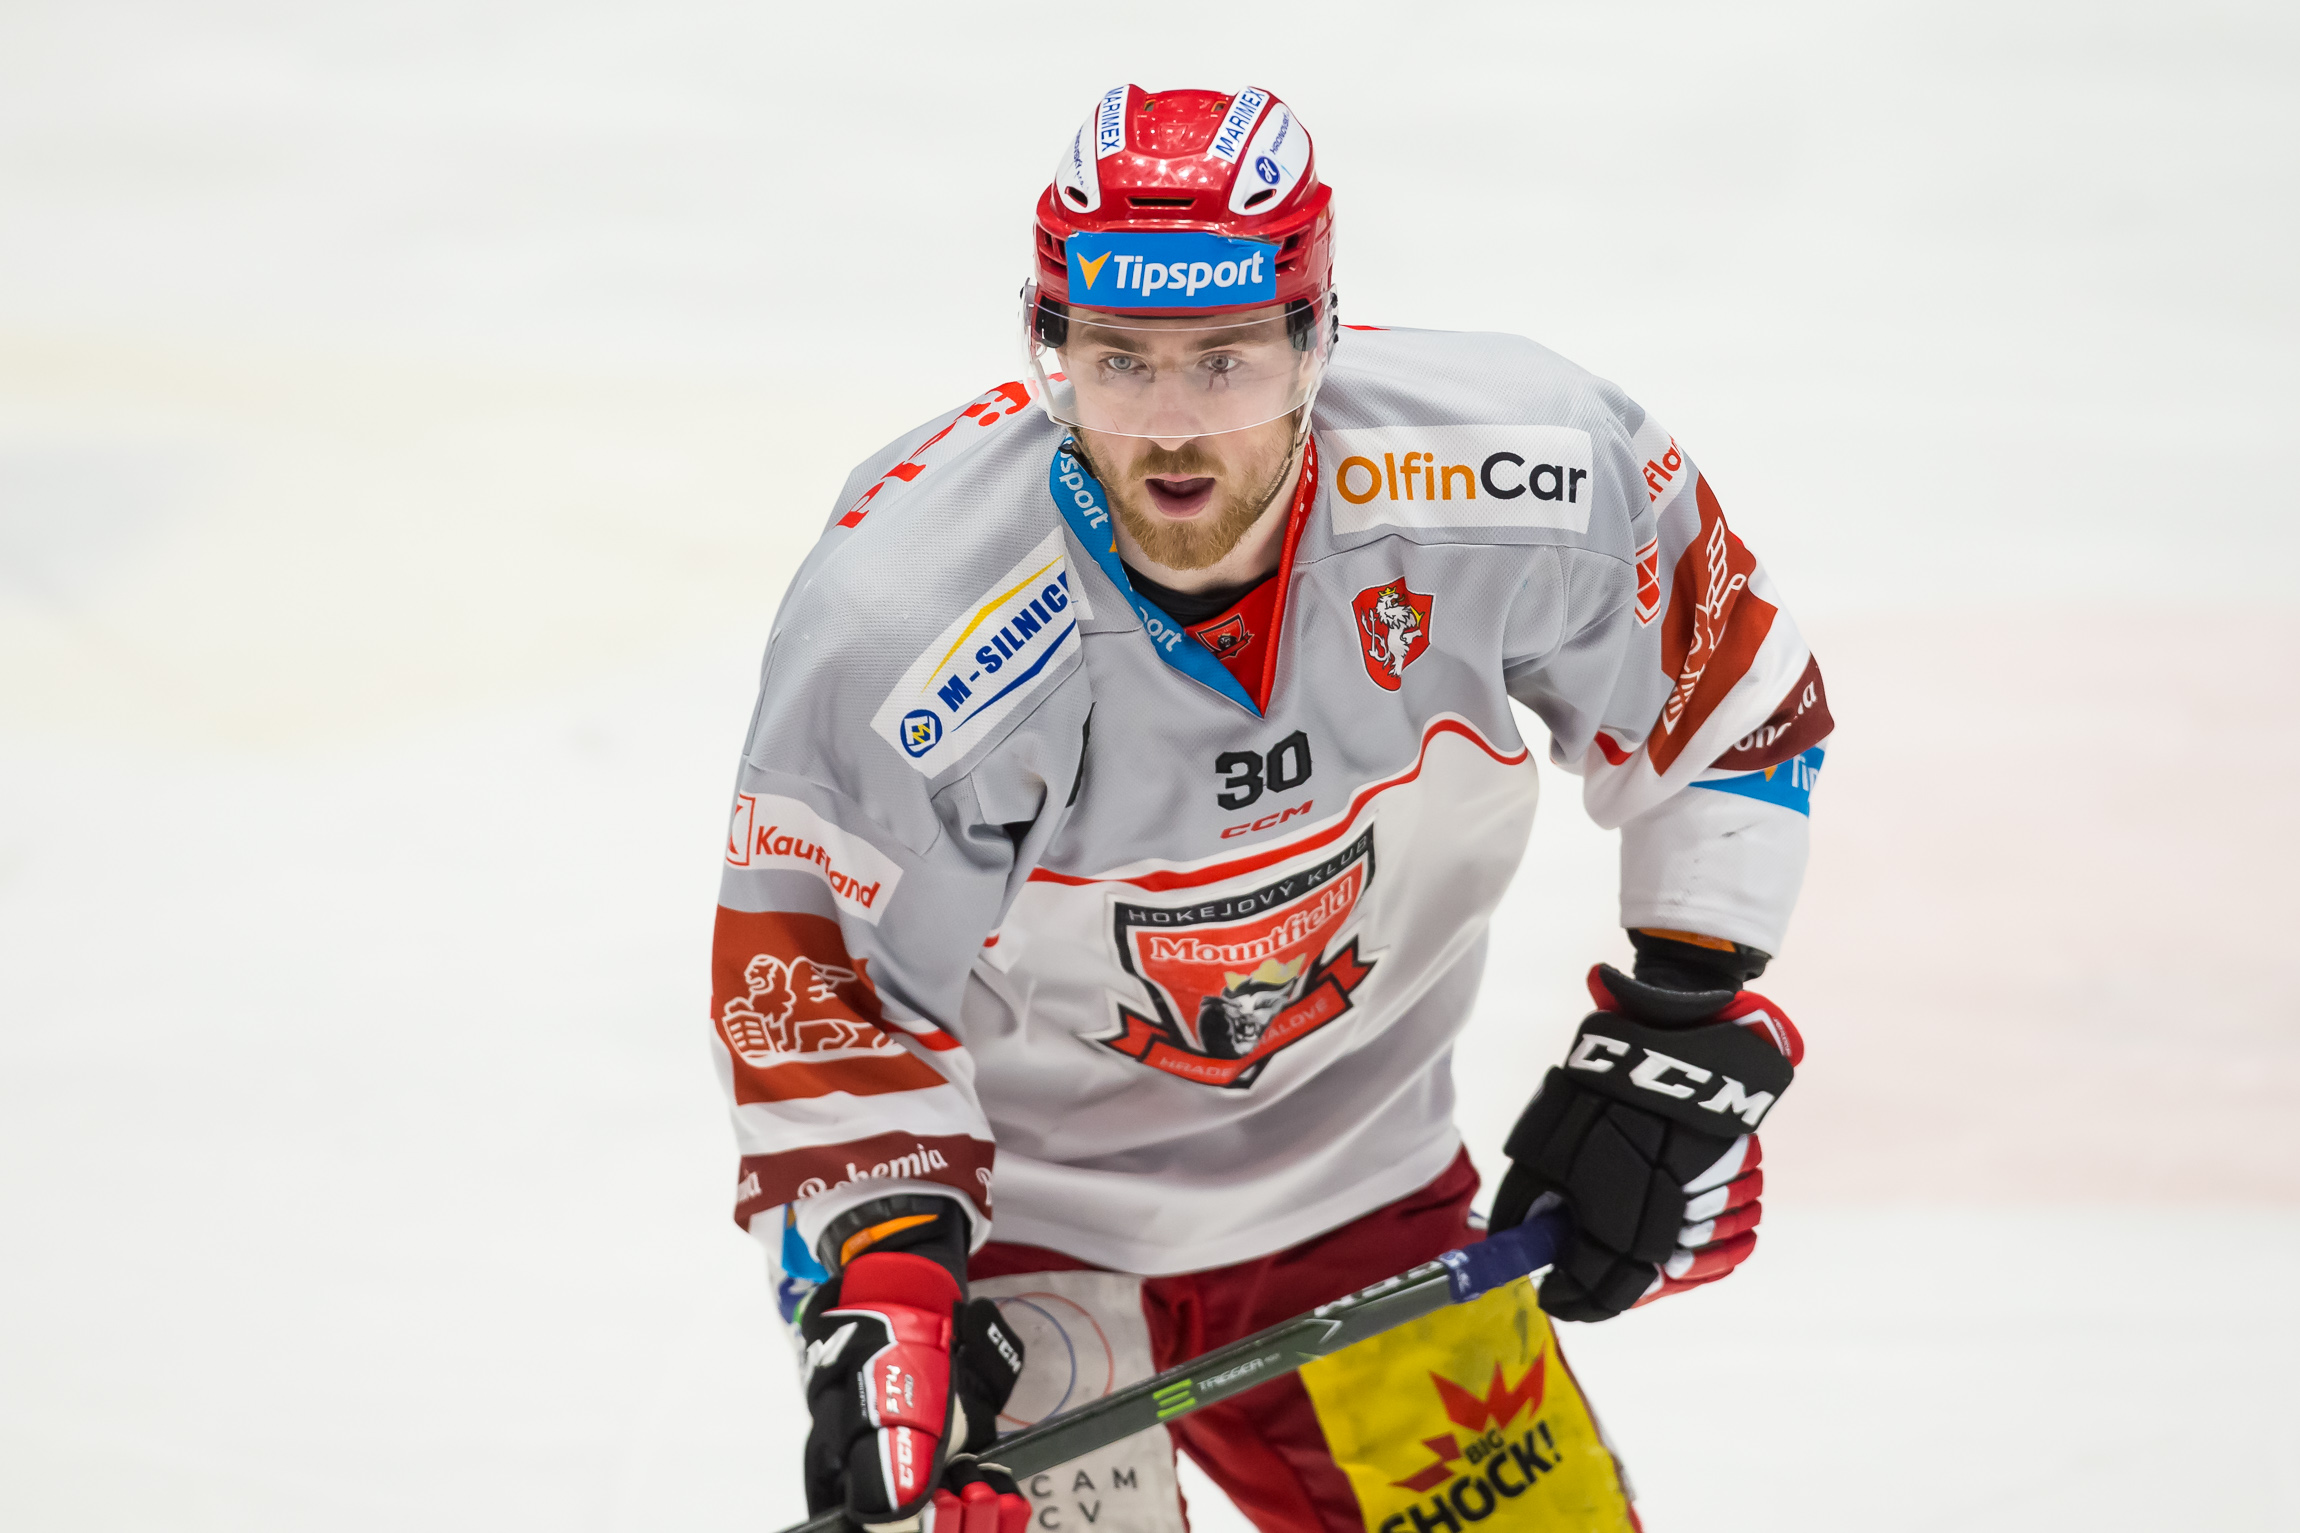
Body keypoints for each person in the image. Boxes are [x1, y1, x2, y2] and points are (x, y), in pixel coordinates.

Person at [711, 83, 1827, 1533]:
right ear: (1050, 348)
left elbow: (1720, 698)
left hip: (1365, 1200)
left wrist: (1680, 1031)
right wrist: (887, 1288)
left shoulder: (1521, 474)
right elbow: (823, 988)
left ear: (1317, 338)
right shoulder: (907, 623)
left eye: (1225, 360)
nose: (1172, 431)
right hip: (1018, 1253)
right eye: (1119, 361)